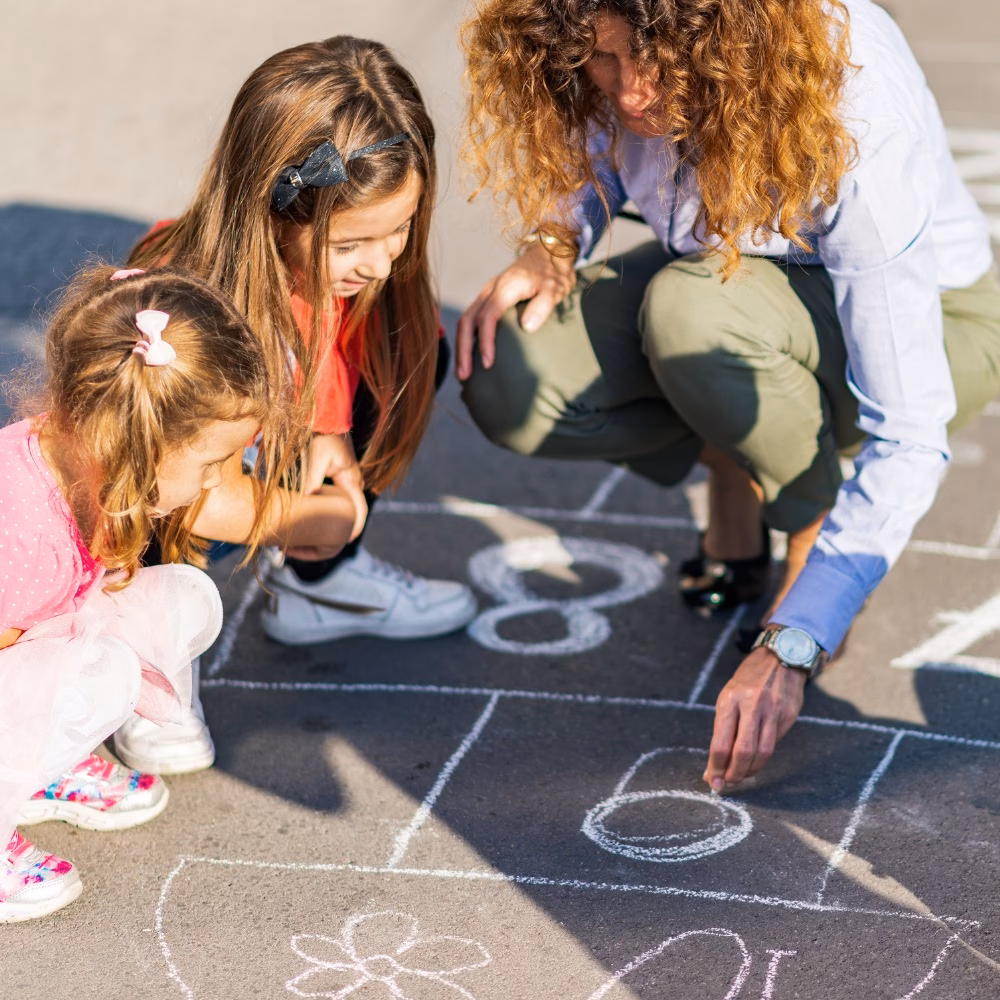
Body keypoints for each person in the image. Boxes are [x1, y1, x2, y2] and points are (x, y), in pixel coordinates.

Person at [457, 0, 1000, 788]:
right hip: (727, 291)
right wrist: (552, 238)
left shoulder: (853, 105)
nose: (632, 92)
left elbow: (909, 433)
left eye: (654, 59)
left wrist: (797, 638)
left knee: (691, 310)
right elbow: (597, 156)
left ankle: (809, 525)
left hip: (941, 329)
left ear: (720, 31)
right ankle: (742, 469)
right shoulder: (622, 71)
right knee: (510, 371)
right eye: (602, 61)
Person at [115, 36, 477, 775]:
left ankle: (320, 588)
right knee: (151, 508)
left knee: (416, 343)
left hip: (249, 460)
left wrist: (332, 426)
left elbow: (329, 325)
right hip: (149, 508)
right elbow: (178, 496)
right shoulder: (175, 304)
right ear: (275, 214)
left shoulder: (349, 273)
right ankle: (142, 653)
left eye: (400, 228)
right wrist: (313, 518)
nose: (382, 260)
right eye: (353, 243)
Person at [0, 265, 294, 922]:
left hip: (38, 631)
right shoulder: (18, 530)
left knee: (182, 596)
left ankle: (34, 770)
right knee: (102, 673)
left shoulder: (90, 462)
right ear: (137, 440)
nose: (218, 480)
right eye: (210, 464)